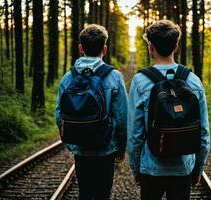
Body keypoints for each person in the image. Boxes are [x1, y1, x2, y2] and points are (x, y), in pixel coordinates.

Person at [127, 20, 211, 200]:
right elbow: (203, 132)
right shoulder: (193, 81)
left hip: (151, 167)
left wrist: (136, 168)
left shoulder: (141, 81)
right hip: (183, 168)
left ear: (150, 47)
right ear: (176, 46)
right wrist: (198, 169)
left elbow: (135, 132)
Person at [56, 24, 128, 200]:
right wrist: (121, 147)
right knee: (103, 193)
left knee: (85, 192)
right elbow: (122, 117)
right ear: (104, 48)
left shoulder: (69, 77)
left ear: (81, 48)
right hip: (106, 148)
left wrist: (71, 141)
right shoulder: (114, 76)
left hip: (80, 148)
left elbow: (59, 115)